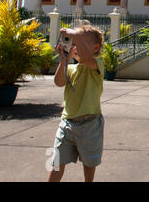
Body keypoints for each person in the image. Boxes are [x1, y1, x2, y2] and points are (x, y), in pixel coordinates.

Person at [47, 25, 105, 182]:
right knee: (56, 162)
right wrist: (64, 61)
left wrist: (75, 35)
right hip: (67, 123)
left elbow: (87, 59)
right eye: (74, 42)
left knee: (89, 162)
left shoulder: (97, 64)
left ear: (96, 48)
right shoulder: (72, 69)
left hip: (90, 124)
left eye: (81, 42)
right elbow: (59, 82)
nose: (76, 45)